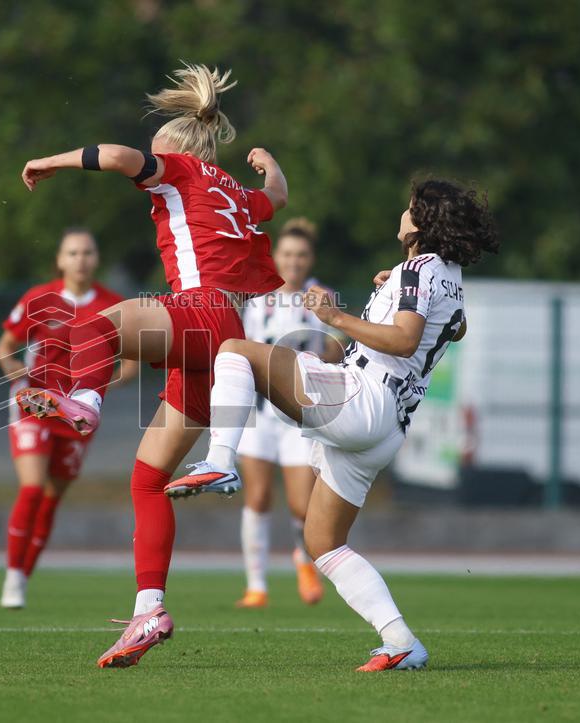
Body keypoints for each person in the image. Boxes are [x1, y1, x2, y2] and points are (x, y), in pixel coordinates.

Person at [18, 63, 288, 667]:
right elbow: (275, 198)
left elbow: (115, 156)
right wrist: (270, 165)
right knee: (146, 480)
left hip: (201, 315)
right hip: (221, 340)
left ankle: (84, 403)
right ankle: (149, 610)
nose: (149, 158)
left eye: (155, 150)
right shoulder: (233, 193)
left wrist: (50, 162)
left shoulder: (184, 169)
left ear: (174, 147)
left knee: (97, 322)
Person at [168, 179, 498, 671]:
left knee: (235, 352)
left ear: (422, 224)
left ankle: (220, 462)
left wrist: (337, 316)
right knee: (322, 541)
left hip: (362, 399)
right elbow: (456, 326)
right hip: (387, 428)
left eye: (411, 209)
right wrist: (397, 288)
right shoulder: (444, 274)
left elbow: (406, 341)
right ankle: (401, 641)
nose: (404, 214)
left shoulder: (415, 272)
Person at [0, 228, 138, 609]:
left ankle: (24, 576)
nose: (81, 259)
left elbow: (132, 363)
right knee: (32, 487)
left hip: (76, 416)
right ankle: (12, 577)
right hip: (35, 407)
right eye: (72, 252)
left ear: (97, 259)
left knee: (51, 498)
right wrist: (20, 379)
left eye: (87, 252)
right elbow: (5, 348)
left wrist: (98, 387)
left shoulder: (113, 305)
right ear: (60, 259)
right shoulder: (39, 298)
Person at [233, 218, 344, 609]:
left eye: (300, 255)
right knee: (258, 496)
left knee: (302, 504)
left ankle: (302, 557)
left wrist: (328, 353)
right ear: (275, 257)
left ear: (309, 259)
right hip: (259, 413)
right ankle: (256, 584)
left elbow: (338, 348)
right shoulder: (255, 297)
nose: (293, 262)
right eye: (286, 255)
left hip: (299, 416)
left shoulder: (321, 296)